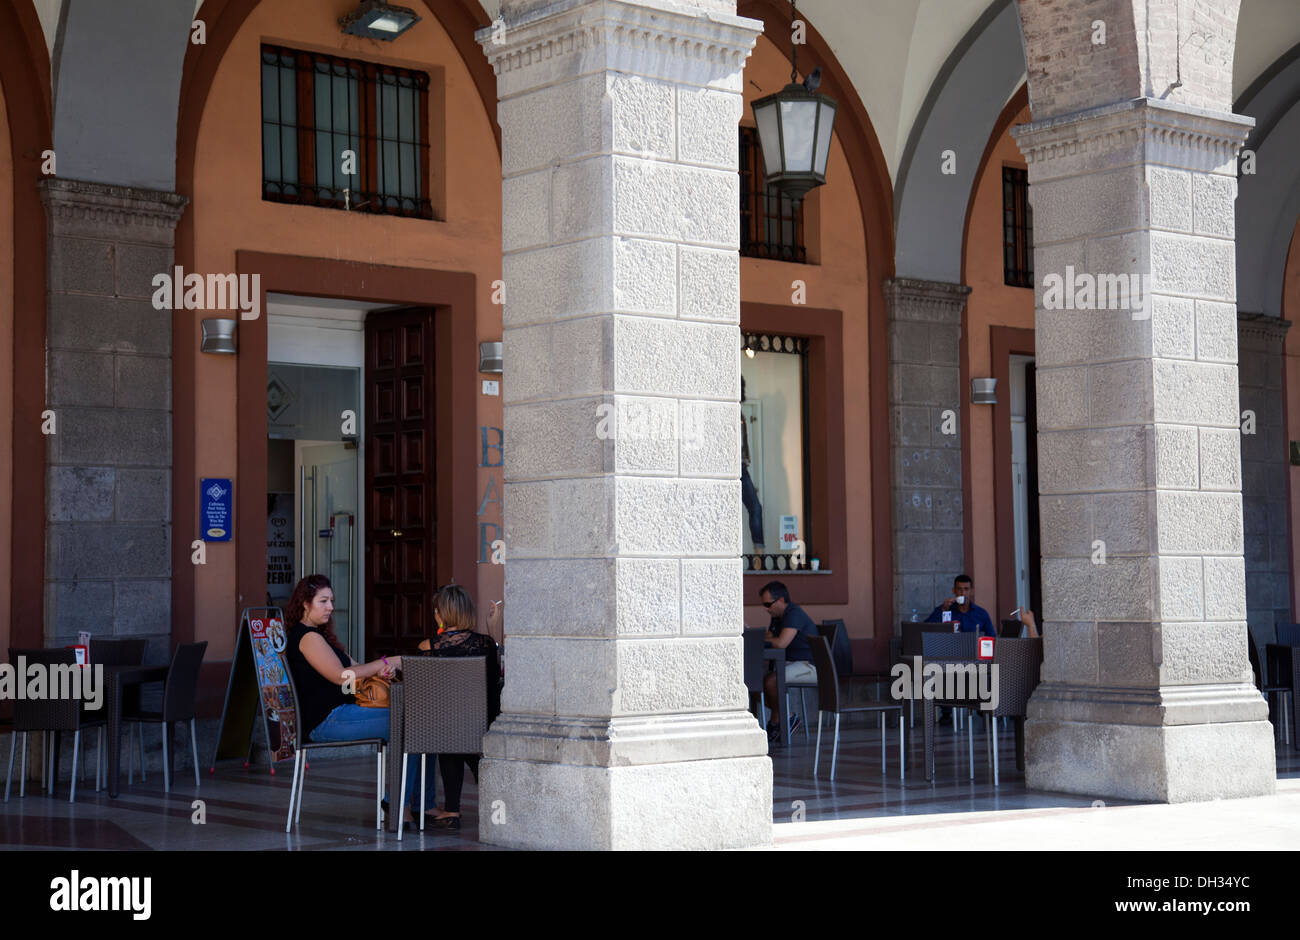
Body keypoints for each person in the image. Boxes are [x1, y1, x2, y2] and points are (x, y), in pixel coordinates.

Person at [281, 574, 433, 828]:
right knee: (412, 725)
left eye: (331, 600)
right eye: (323, 601)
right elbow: (342, 677)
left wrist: (378, 671)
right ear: (305, 604)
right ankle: (399, 804)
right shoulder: (307, 637)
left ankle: (412, 804)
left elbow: (356, 670)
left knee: (417, 723)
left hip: (342, 712)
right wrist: (388, 662)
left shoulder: (320, 636)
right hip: (326, 720)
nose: (330, 606)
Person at [415, 585, 502, 831]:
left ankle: (452, 810)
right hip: (482, 724)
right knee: (465, 741)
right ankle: (496, 802)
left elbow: (425, 691)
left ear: (441, 615)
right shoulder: (485, 644)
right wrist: (492, 629)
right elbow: (494, 680)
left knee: (449, 736)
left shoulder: (427, 647)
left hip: (446, 727)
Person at [758, 581, 818, 743]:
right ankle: (786, 717)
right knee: (755, 684)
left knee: (771, 681)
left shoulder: (794, 614)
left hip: (810, 665)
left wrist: (767, 639)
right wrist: (768, 638)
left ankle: (779, 721)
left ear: (781, 600)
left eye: (768, 604)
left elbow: (781, 643)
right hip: (790, 664)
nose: (766, 609)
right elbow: (771, 637)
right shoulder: (777, 617)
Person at [924, 574, 995, 637]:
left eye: (966, 589)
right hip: (950, 650)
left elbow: (991, 637)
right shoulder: (945, 609)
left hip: (973, 650)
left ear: (972, 591)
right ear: (954, 590)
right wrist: (942, 609)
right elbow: (926, 628)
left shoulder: (981, 614)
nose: (963, 593)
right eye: (959, 589)